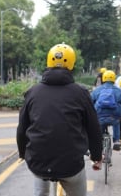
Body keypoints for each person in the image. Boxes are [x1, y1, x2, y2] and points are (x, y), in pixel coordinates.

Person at [16, 43, 103, 196]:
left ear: (48, 62)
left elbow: (22, 128)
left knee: (40, 181)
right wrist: (96, 157)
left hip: (38, 161)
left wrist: (23, 153)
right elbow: (93, 128)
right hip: (71, 165)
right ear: (72, 64)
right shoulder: (81, 93)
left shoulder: (32, 92)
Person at [91, 70, 121, 151]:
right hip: (114, 116)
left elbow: (90, 102)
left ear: (103, 79)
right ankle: (116, 141)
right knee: (116, 123)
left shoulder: (97, 90)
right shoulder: (118, 91)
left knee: (100, 126)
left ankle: (100, 141)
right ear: (114, 79)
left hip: (100, 115)